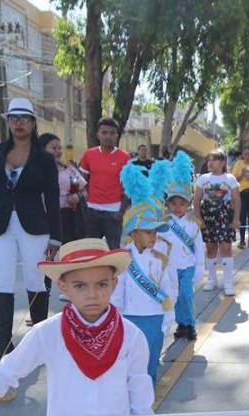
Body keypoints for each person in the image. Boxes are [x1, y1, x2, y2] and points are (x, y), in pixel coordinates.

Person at [0, 239, 154, 416]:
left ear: (114, 283)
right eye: (80, 286)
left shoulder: (131, 336)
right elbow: (6, 371)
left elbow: (140, 392)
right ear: (63, 286)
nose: (92, 295)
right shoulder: (48, 333)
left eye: (102, 284)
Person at [0, 97, 60, 376]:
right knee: (2, 282)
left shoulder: (44, 158)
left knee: (35, 281)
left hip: (34, 227)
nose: (19, 124)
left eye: (24, 118)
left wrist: (56, 237)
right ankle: (3, 347)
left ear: (33, 122)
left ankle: (39, 345)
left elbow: (53, 199)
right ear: (8, 122)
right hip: (0, 227)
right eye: (13, 118)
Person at [113, 163, 177, 383]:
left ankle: (146, 401)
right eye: (149, 231)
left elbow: (169, 288)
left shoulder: (161, 258)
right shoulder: (122, 258)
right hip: (129, 317)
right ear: (133, 232)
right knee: (129, 362)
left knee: (150, 362)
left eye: (156, 232)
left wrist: (169, 316)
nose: (154, 236)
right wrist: (117, 317)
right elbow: (117, 291)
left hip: (154, 317)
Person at [163, 153, 205, 342]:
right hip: (170, 266)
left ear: (188, 204)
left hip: (187, 266)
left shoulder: (193, 223)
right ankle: (181, 324)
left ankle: (190, 324)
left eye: (182, 203)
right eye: (174, 203)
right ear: (168, 204)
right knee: (175, 296)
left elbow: (199, 246)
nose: (178, 207)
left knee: (187, 295)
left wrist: (199, 267)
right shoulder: (164, 223)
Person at [80, 118, 132, 249]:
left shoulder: (125, 157)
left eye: (112, 133)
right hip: (92, 211)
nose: (108, 136)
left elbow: (129, 187)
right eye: (104, 132)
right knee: (91, 250)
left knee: (113, 250)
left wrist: (121, 212)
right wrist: (85, 196)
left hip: (114, 213)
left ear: (117, 135)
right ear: (98, 134)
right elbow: (81, 179)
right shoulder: (89, 154)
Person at [194, 150, 240, 296]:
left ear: (222, 163)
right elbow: (196, 200)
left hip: (225, 216)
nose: (210, 163)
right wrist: (198, 218)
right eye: (209, 160)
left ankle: (228, 283)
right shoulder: (203, 179)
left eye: (214, 160)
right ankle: (211, 280)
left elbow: (236, 200)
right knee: (211, 247)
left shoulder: (230, 179)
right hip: (208, 216)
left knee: (226, 247)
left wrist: (236, 219)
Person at [40, 133, 87, 245]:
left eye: (59, 148)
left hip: (69, 218)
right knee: (48, 253)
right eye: (53, 148)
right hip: (44, 218)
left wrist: (78, 196)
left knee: (69, 251)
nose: (58, 151)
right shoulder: (35, 172)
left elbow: (84, 190)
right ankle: (49, 261)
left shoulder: (69, 171)